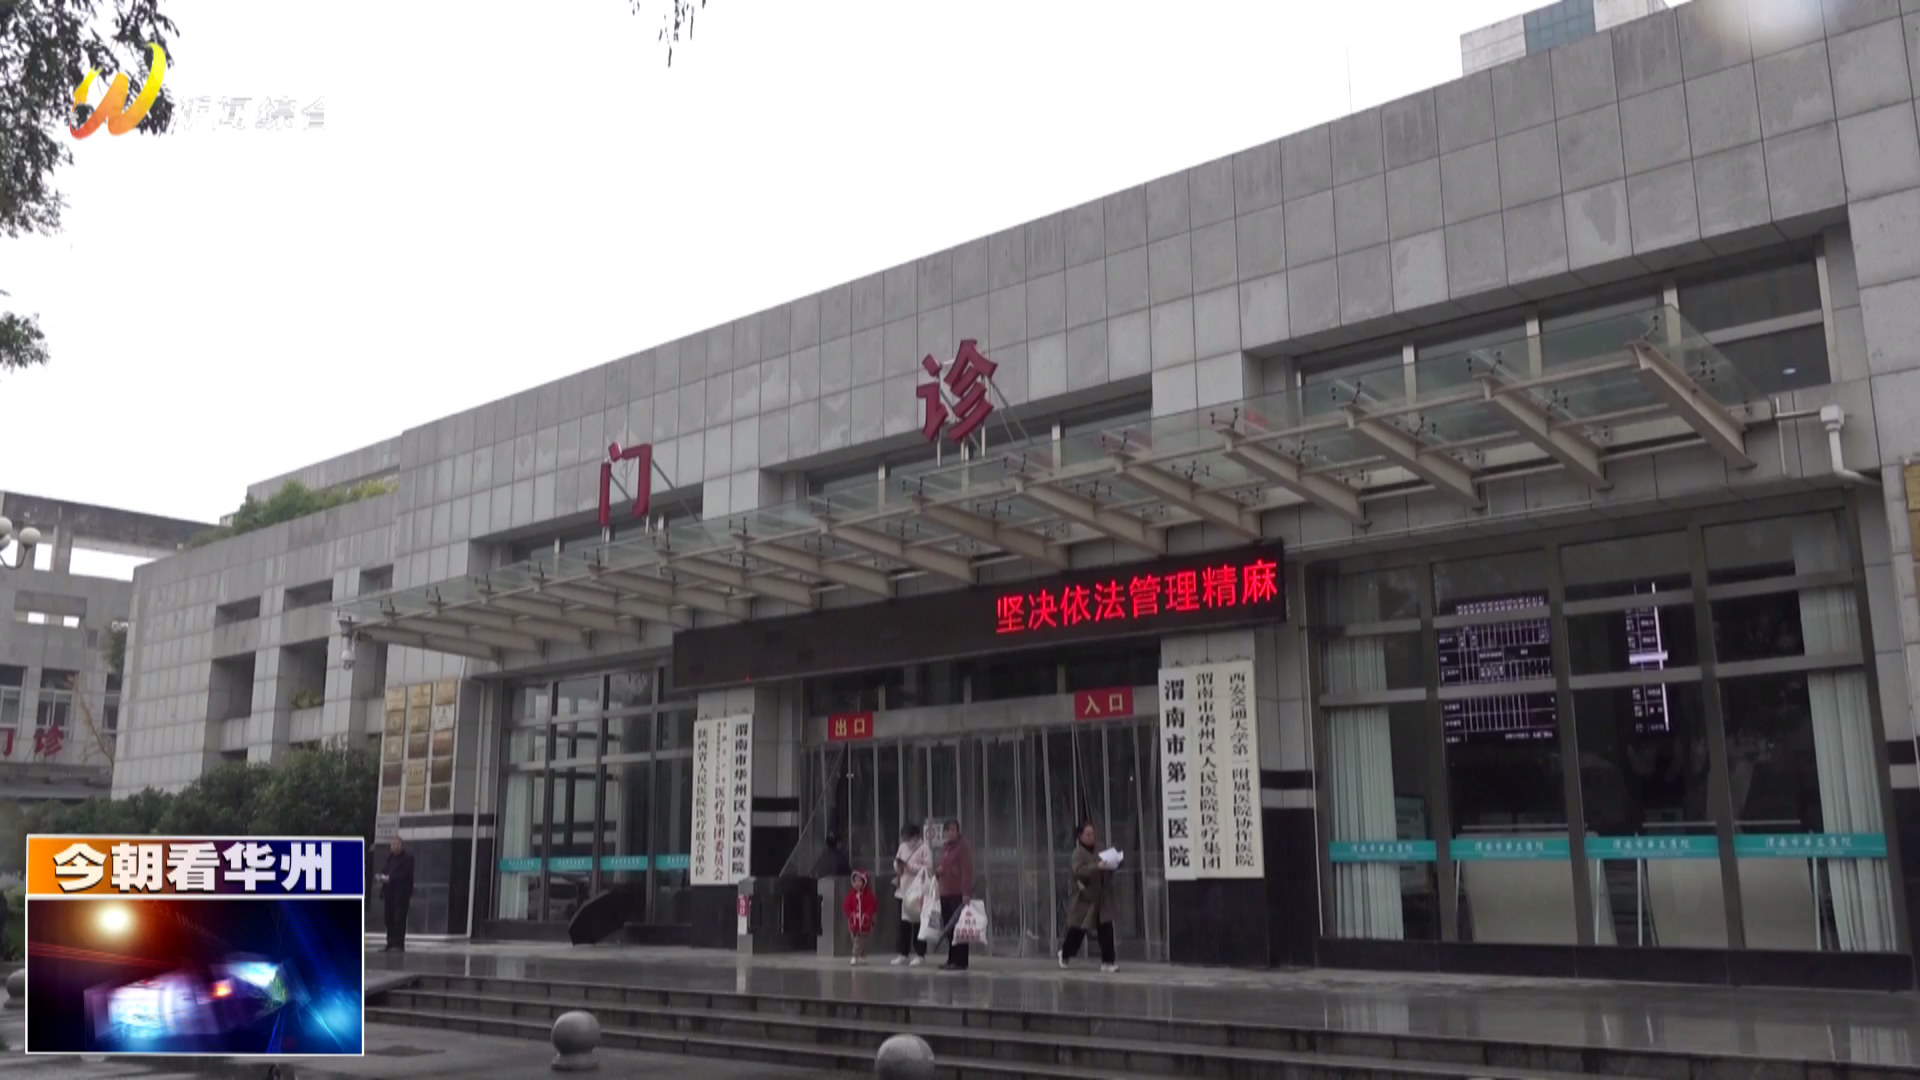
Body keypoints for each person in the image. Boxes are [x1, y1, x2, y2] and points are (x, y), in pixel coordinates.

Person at [1057, 821, 1118, 973]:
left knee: (1106, 929)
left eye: (1092, 834)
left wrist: (1114, 863)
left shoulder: (1100, 848)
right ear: (1080, 836)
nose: (1091, 837)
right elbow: (1078, 871)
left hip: (1101, 898)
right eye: (1088, 834)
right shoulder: (1078, 853)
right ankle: (1065, 953)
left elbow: (1108, 863)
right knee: (1078, 930)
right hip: (1086, 898)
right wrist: (1097, 867)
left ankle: (1108, 961)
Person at [934, 818, 974, 972]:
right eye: (948, 830)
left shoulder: (962, 847)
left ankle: (961, 961)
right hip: (945, 891)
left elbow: (967, 871)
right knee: (949, 927)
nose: (950, 833)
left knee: (959, 927)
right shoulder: (945, 848)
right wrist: (938, 871)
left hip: (958, 892)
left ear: (958, 832)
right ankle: (951, 959)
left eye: (953, 830)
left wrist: (966, 892)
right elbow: (943, 866)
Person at [891, 822, 932, 966]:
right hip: (903, 890)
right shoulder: (902, 847)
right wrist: (898, 866)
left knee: (918, 922)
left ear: (916, 836)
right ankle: (903, 953)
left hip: (917, 891)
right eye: (905, 837)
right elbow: (897, 863)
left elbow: (927, 868)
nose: (907, 841)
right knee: (903, 923)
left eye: (909, 837)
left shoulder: (924, 848)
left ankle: (920, 954)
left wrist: (909, 866)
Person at [377, 836, 415, 953]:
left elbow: (406, 874)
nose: (393, 847)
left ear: (401, 845)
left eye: (396, 844)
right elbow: (385, 869)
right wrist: (382, 877)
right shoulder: (390, 858)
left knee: (399, 918)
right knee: (389, 918)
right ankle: (390, 943)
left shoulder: (408, 858)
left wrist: (391, 878)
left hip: (401, 892)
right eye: (392, 845)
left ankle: (398, 944)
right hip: (389, 892)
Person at [844, 869, 877, 966]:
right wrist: (851, 914)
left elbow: (872, 906)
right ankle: (862, 955)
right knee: (854, 939)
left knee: (859, 940)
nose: (857, 883)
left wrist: (866, 915)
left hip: (864, 923)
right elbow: (846, 906)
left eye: (859, 881)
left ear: (864, 882)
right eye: (855, 881)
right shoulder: (851, 895)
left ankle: (854, 955)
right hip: (853, 922)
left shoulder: (869, 895)